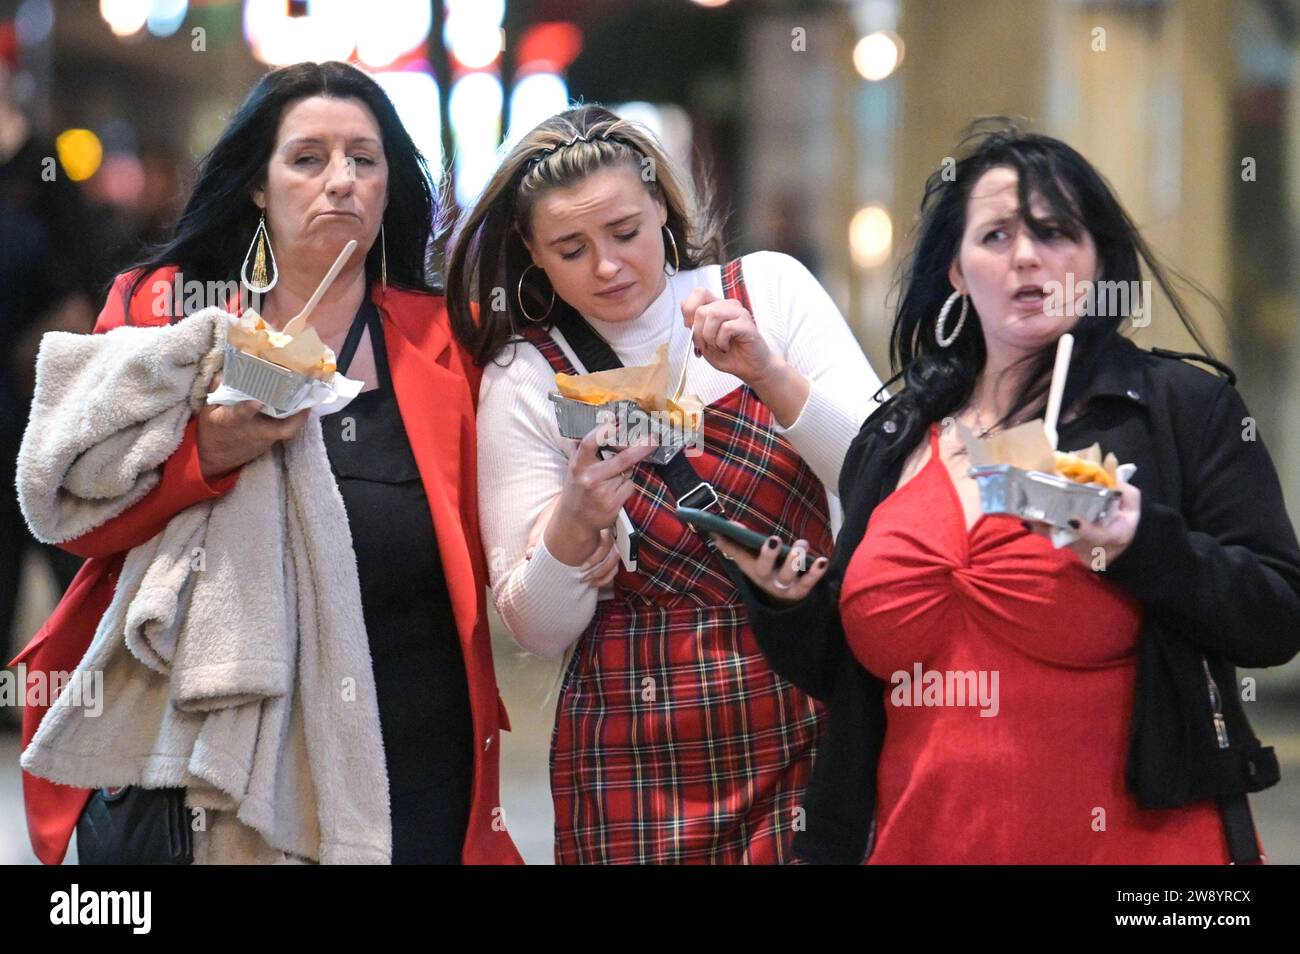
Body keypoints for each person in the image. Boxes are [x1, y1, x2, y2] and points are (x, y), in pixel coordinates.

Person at [719, 121, 1300, 864]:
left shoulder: (1175, 410)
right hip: (919, 839)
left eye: (1056, 232)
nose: (1028, 256)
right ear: (957, 272)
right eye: (995, 236)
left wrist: (1138, 542)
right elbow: (858, 675)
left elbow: (1276, 616)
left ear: (1098, 261)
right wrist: (789, 604)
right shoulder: (898, 433)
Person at [11, 61, 521, 865]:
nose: (340, 182)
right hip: (203, 759)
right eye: (308, 159)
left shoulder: (447, 341)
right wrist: (203, 457)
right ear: (257, 183)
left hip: (414, 749)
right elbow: (74, 515)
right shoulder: (162, 314)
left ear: (390, 185)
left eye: (364, 159)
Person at [445, 104, 882, 863]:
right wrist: (575, 523)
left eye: (625, 233)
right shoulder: (525, 374)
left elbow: (884, 470)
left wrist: (769, 376)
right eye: (571, 248)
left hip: (803, 695)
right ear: (532, 253)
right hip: (631, 748)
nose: (608, 267)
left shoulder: (766, 292)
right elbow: (535, 630)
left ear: (662, 211)